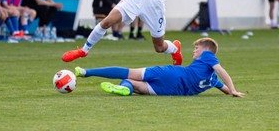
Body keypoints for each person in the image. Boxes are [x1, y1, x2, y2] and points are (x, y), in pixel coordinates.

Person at [74, 38, 245, 97]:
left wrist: (234, 88)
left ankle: (86, 72)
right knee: (130, 82)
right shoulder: (212, 80)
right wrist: (232, 92)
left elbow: (221, 70)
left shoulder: (208, 56)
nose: (194, 51)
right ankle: (125, 89)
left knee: (129, 72)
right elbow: (225, 88)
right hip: (172, 91)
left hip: (173, 75)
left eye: (196, 48)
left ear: (206, 50)